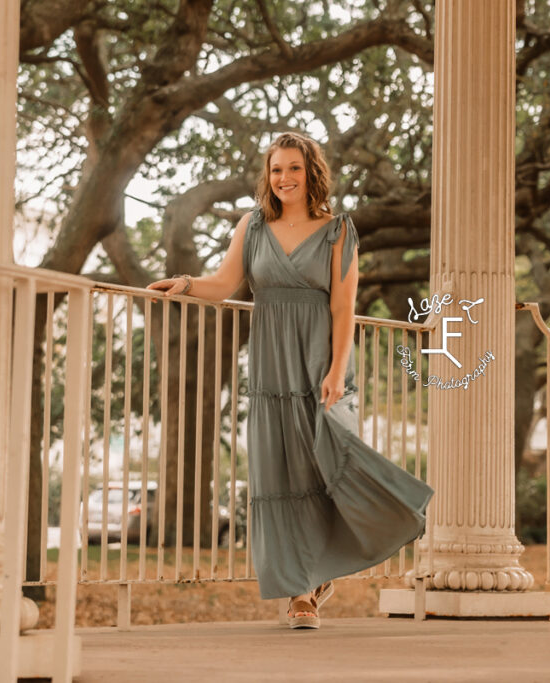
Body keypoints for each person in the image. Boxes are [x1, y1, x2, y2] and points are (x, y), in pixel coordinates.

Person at [148, 132, 434, 629]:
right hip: (269, 368)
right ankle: (301, 590)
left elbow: (344, 309)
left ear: (312, 173)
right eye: (276, 169)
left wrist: (337, 371)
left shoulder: (338, 230)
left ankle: (379, 524)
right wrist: (186, 284)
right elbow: (223, 284)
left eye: (294, 169)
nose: (284, 178)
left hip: (317, 362)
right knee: (279, 473)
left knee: (324, 462)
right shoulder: (253, 226)